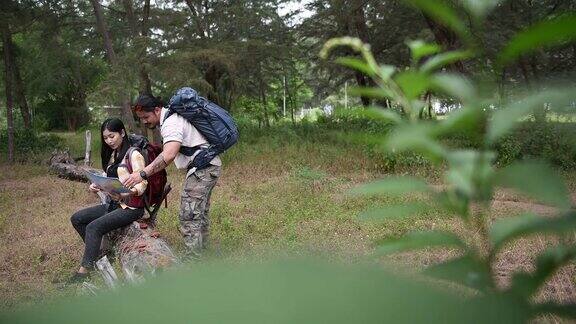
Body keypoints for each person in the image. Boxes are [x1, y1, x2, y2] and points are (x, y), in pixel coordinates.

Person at [123, 94, 221, 258]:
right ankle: (203, 253)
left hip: (203, 168)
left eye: (146, 117)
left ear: (157, 109)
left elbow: (168, 155)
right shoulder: (172, 119)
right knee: (199, 213)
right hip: (208, 166)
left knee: (189, 216)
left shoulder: (171, 123)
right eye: (141, 119)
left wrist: (142, 174)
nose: (145, 122)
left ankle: (193, 260)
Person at [69, 118, 148, 282]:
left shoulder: (134, 154)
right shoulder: (115, 154)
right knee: (77, 218)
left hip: (131, 208)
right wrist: (96, 185)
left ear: (122, 133)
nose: (109, 141)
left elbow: (143, 182)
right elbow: (109, 177)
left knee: (93, 227)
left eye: (112, 136)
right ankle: (99, 254)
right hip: (114, 204)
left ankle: (84, 272)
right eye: (105, 138)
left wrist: (129, 192)